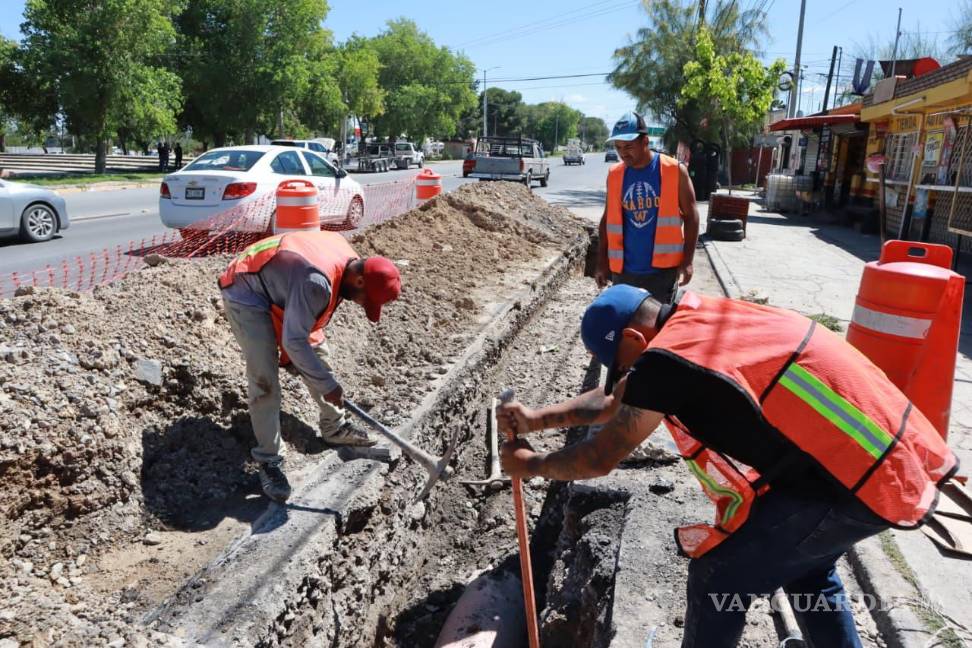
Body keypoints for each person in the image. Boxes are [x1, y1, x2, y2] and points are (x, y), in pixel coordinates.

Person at [498, 285, 958, 648]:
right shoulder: (699, 320)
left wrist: (531, 464)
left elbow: (601, 457)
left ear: (637, 341)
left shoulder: (666, 362)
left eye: (621, 366)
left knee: (718, 574)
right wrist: (539, 418)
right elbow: (619, 397)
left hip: (849, 483)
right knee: (806, 572)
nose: (624, 380)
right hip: (876, 464)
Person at [218, 230, 402, 502]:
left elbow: (302, 337)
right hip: (247, 288)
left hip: (284, 284)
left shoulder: (346, 262)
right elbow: (294, 341)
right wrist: (326, 386)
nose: (361, 305)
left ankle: (334, 428)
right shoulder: (317, 282)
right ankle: (269, 460)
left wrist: (320, 376)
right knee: (264, 380)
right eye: (365, 300)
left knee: (319, 357)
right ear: (359, 279)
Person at [596, 112, 700, 304]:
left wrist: (687, 261)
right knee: (625, 328)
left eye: (628, 146)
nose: (623, 153)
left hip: (661, 273)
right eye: (618, 147)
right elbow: (607, 220)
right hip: (623, 271)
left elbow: (692, 216)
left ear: (645, 141)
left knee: (656, 327)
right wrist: (602, 263)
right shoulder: (615, 174)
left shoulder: (674, 170)